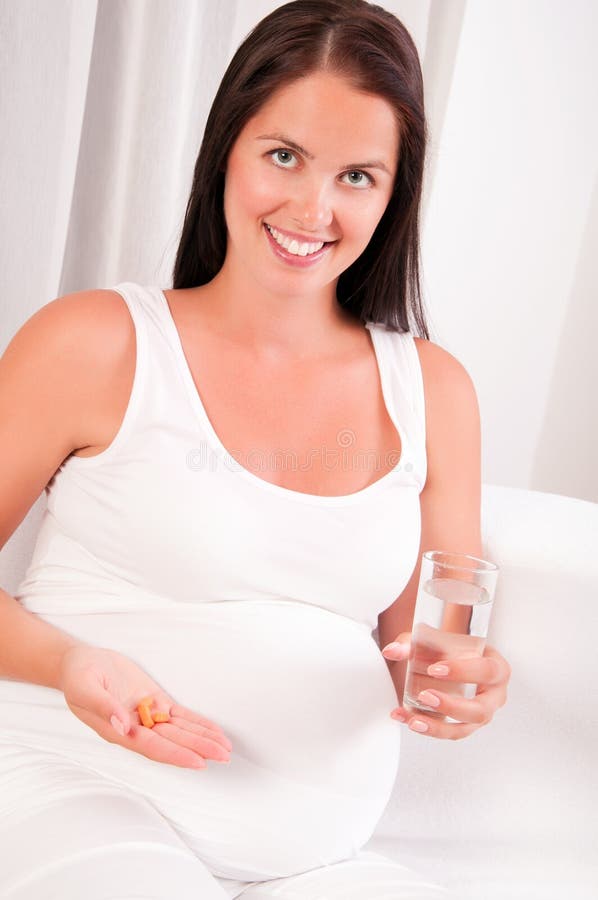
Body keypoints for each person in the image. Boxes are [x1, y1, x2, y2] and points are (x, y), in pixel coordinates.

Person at [0, 1, 511, 897]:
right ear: (225, 149)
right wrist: (70, 664)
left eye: (358, 176)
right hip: (73, 785)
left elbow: (431, 647)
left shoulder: (435, 392)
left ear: (395, 195)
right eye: (284, 156)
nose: (313, 208)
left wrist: (465, 684)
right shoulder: (96, 342)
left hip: (314, 856)